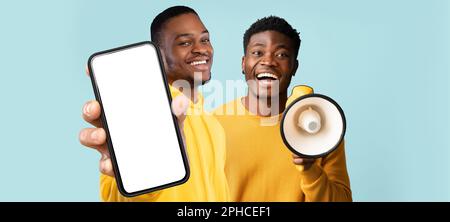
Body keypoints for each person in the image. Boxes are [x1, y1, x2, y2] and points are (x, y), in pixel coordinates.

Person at [79, 6, 230, 202]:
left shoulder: (214, 125)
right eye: (184, 42)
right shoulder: (142, 110)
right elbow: (116, 197)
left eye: (205, 39)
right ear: (158, 54)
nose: (201, 49)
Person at [213, 16, 352, 202]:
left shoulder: (323, 129)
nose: (268, 61)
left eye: (281, 55)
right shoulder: (212, 125)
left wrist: (310, 169)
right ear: (243, 63)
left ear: (294, 67)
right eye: (257, 52)